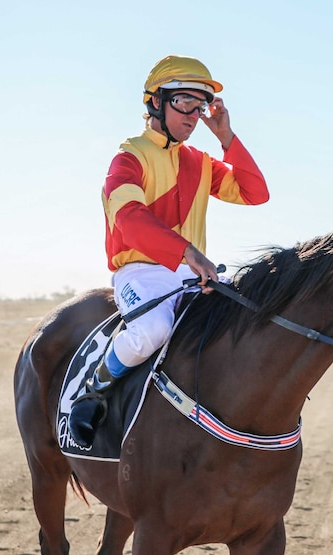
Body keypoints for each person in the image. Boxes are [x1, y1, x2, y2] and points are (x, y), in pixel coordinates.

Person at [68, 55, 270, 448]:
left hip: (192, 271)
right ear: (156, 101)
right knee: (153, 330)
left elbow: (255, 193)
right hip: (141, 271)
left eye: (201, 106)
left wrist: (226, 137)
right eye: (184, 103)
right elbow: (128, 219)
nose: (194, 115)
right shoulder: (128, 158)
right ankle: (93, 391)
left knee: (252, 315)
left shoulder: (200, 162)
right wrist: (189, 253)